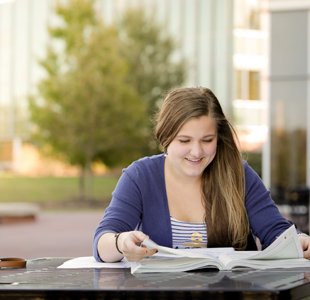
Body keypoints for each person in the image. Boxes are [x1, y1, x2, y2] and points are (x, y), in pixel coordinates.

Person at [93, 87, 310, 263]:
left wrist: (298, 240)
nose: (197, 152)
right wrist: (121, 242)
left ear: (218, 137)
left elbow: (274, 230)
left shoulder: (238, 173)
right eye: (184, 141)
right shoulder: (140, 176)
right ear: (165, 137)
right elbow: (103, 241)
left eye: (207, 140)